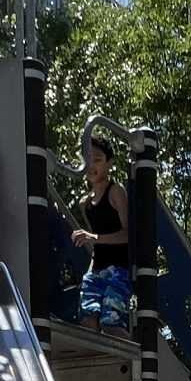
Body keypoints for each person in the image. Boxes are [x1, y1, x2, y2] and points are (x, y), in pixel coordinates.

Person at [71, 134, 131, 332]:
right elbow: (97, 242)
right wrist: (90, 272)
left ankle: (134, 361)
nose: (91, 166)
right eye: (87, 160)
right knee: (89, 320)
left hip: (118, 269)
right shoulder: (84, 202)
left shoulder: (115, 191)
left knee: (111, 323)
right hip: (96, 269)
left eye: (97, 160)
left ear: (109, 163)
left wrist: (92, 237)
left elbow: (126, 234)